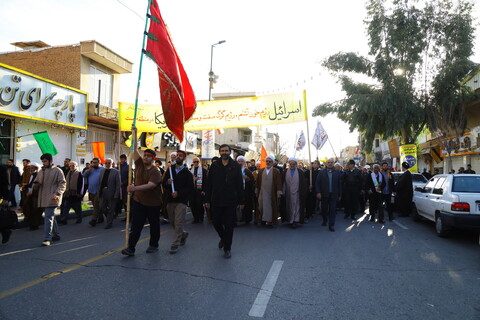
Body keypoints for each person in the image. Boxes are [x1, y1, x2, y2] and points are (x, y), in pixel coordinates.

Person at [122, 128, 163, 256]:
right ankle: (131, 248)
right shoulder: (139, 164)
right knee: (136, 226)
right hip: (138, 201)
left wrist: (134, 188)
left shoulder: (155, 171)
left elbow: (150, 185)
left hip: (153, 203)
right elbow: (133, 150)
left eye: (148, 156)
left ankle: (153, 244)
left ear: (153, 159)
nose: (145, 157)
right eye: (144, 155)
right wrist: (134, 135)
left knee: (154, 225)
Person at [205, 144, 244, 259]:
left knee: (229, 225)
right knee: (216, 222)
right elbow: (209, 184)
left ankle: (227, 248)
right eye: (222, 151)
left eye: (226, 151)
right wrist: (207, 199)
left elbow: (239, 185)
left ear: (230, 152)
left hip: (231, 200)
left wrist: (241, 201)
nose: (224, 152)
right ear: (219, 152)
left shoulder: (235, 166)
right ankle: (223, 238)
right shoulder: (214, 166)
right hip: (216, 200)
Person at [163, 150, 194, 254]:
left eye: (181, 156)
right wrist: (167, 182)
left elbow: (190, 188)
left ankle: (175, 244)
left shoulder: (187, 173)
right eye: (177, 155)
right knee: (172, 221)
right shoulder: (170, 170)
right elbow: (163, 183)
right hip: (170, 200)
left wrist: (179, 193)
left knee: (179, 221)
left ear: (184, 158)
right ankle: (183, 234)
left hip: (181, 200)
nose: (178, 157)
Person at [34, 153, 66, 246]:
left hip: (53, 198)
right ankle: (56, 235)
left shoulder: (57, 170)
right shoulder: (41, 171)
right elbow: (37, 181)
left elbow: (62, 184)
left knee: (48, 218)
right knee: (50, 217)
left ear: (50, 161)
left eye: (45, 161)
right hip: (43, 198)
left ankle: (47, 239)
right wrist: (35, 185)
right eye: (42, 161)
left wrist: (57, 193)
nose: (43, 163)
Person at [315, 159, 342, 232]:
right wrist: (318, 192)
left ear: (333, 163)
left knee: (332, 210)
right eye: (328, 162)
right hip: (324, 194)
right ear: (326, 164)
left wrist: (340, 194)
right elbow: (317, 183)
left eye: (331, 162)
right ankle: (324, 220)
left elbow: (340, 184)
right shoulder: (321, 172)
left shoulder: (337, 173)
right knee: (324, 209)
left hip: (334, 195)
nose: (330, 164)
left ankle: (331, 225)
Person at [256, 155, 283, 228]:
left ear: (272, 162)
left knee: (270, 206)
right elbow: (257, 182)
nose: (268, 162)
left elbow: (278, 182)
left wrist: (279, 192)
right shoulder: (261, 171)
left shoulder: (276, 171)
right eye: (267, 161)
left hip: (271, 193)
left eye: (269, 161)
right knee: (261, 206)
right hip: (262, 192)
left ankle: (270, 221)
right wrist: (256, 190)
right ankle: (262, 219)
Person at [283, 157, 307, 228]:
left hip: (297, 193)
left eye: (293, 164)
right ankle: (290, 220)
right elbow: (283, 182)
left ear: (296, 164)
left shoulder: (300, 172)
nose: (292, 165)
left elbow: (303, 183)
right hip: (288, 193)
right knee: (289, 207)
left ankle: (295, 221)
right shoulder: (285, 171)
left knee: (296, 207)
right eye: (290, 164)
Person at [98, 158, 121, 229]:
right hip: (103, 191)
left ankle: (109, 223)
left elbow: (118, 184)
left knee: (111, 208)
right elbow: (100, 182)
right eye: (106, 163)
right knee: (102, 207)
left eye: (109, 163)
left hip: (112, 192)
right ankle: (110, 216)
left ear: (112, 164)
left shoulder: (116, 172)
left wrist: (116, 193)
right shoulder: (102, 171)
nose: (107, 164)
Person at [84, 158, 105, 227]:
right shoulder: (90, 170)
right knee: (96, 205)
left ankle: (93, 220)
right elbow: (84, 175)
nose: (94, 164)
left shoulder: (102, 169)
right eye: (93, 162)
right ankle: (101, 217)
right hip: (91, 190)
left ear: (99, 163)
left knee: (96, 206)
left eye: (96, 162)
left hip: (98, 191)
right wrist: (89, 169)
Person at [23, 163, 43, 230]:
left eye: (32, 168)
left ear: (36, 169)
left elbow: (36, 186)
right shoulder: (31, 175)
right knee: (27, 208)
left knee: (35, 210)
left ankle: (35, 224)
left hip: (35, 195)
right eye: (30, 168)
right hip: (29, 194)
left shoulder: (37, 175)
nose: (30, 169)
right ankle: (31, 222)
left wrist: (31, 192)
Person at [236, 156, 255, 225]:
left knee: (246, 205)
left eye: (242, 161)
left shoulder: (247, 171)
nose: (240, 163)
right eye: (239, 161)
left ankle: (246, 219)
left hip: (246, 191)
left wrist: (247, 178)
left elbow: (252, 181)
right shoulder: (234, 170)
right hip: (236, 191)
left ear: (244, 163)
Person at [190, 156, 207, 223]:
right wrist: (193, 179)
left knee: (199, 204)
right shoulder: (190, 170)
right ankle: (195, 218)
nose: (196, 163)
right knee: (192, 204)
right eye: (194, 162)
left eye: (197, 162)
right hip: (192, 190)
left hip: (200, 190)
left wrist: (204, 190)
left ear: (199, 162)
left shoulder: (203, 170)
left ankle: (201, 217)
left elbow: (206, 181)